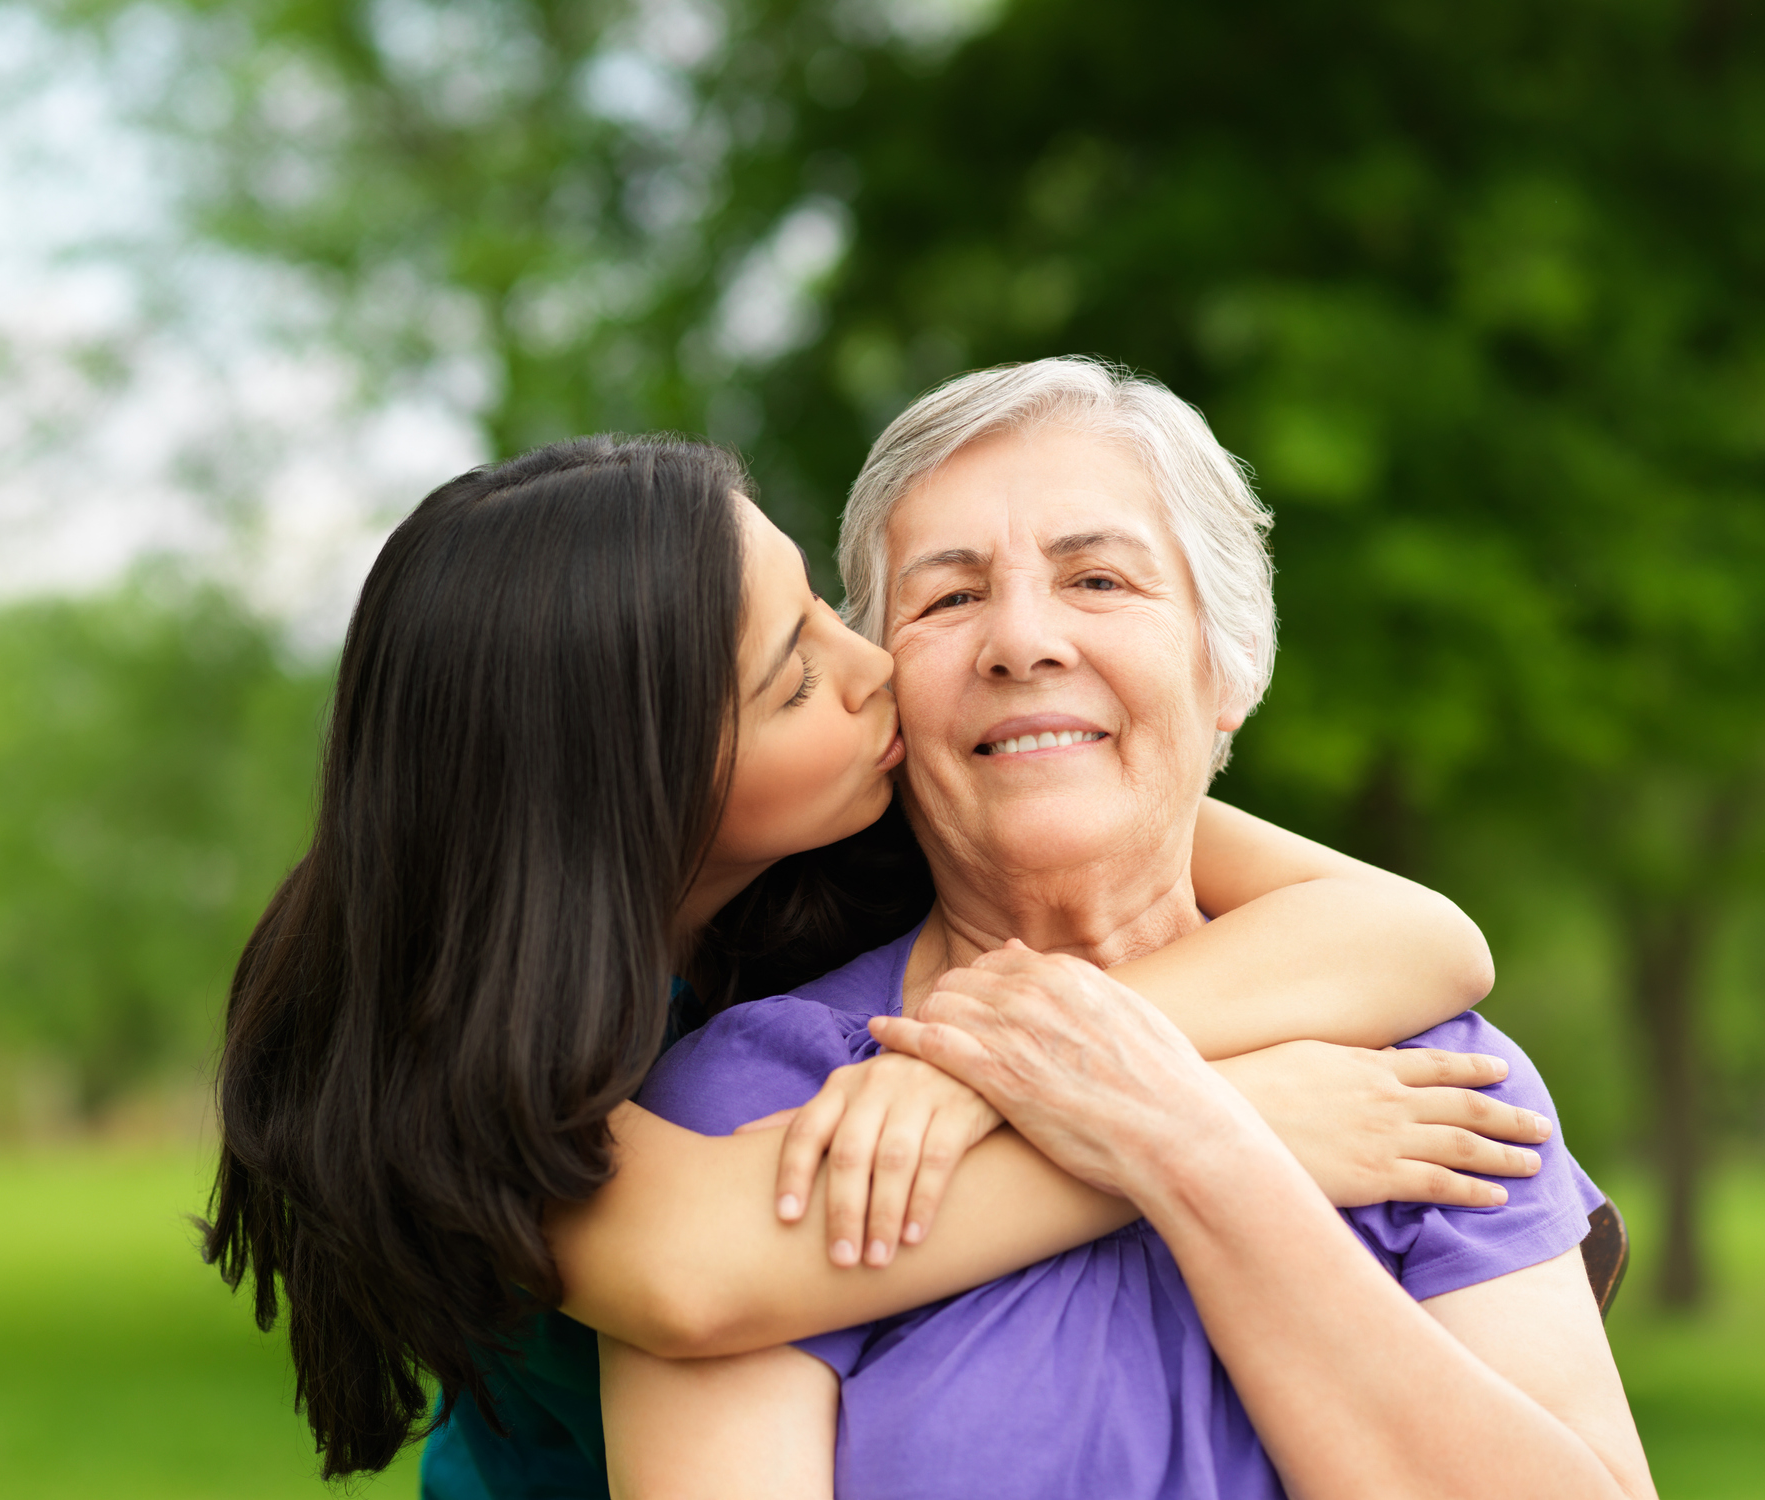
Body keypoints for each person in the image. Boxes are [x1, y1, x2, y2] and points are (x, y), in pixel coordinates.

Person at [200, 434, 1546, 1499]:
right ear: (641, 789)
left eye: (829, 610)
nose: (879, 670)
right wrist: (1217, 1133)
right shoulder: (463, 1049)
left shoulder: (892, 805)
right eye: (794, 676)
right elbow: (699, 1274)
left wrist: (991, 1071)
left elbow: (1416, 936)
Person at [602, 360, 1655, 1500]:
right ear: (889, 698)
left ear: (1226, 670)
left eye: (1096, 580)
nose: (1021, 641)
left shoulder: (1421, 1070)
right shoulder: (766, 1105)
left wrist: (1178, 1138)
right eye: (947, 598)